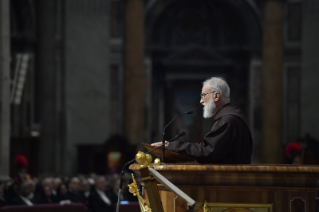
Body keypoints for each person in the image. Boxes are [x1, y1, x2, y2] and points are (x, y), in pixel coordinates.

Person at [152, 77, 253, 164]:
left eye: (204, 95)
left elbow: (208, 151)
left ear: (216, 96)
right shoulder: (231, 116)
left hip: (228, 181)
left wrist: (172, 146)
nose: (201, 101)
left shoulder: (227, 120)